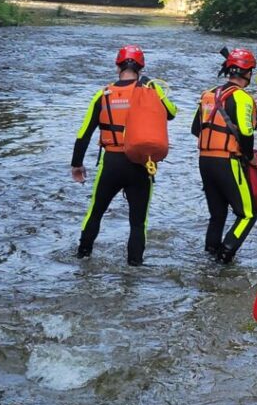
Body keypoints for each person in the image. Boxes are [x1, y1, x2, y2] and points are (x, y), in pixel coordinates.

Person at [71, 45, 177, 266]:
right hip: (140, 163)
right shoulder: (151, 89)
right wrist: (152, 86)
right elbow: (171, 113)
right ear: (141, 67)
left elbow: (84, 134)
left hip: (111, 162)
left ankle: (82, 256)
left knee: (95, 212)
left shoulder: (103, 94)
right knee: (138, 223)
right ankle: (134, 267)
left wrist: (77, 164)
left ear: (118, 65)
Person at [190, 48, 257, 265]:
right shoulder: (242, 98)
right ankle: (224, 255)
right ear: (247, 72)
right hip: (228, 160)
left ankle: (210, 253)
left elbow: (195, 129)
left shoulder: (208, 94)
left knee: (217, 215)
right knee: (247, 214)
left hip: (205, 160)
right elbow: (247, 133)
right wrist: (250, 157)